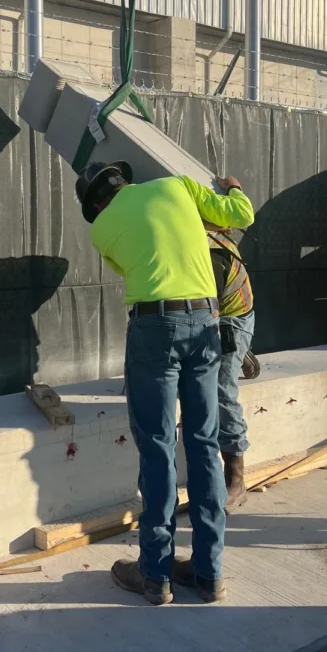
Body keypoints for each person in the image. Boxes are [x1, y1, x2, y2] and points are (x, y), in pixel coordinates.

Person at [76, 162, 255, 606]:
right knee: (204, 443)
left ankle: (155, 576)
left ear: (96, 204)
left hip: (153, 329)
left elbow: (134, 268)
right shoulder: (178, 187)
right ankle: (208, 573)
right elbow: (242, 214)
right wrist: (232, 187)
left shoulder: (102, 231)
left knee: (157, 447)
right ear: (124, 180)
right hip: (206, 321)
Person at [206, 224, 256, 511]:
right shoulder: (204, 236)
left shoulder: (210, 253)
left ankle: (236, 480)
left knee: (222, 391)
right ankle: (241, 350)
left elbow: (204, 311)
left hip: (228, 321)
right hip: (222, 313)